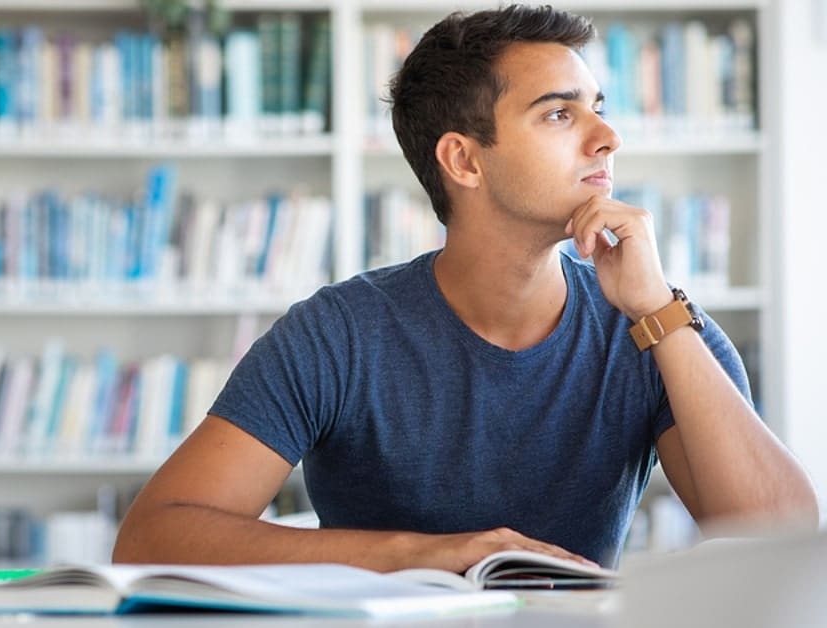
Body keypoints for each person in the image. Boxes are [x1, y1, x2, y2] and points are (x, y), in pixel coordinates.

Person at [113, 4, 818, 573]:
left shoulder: (653, 321)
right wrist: (423, 554)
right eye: (559, 113)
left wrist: (659, 313)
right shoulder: (337, 333)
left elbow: (779, 537)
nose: (608, 137)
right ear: (463, 161)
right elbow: (152, 537)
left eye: (598, 107)